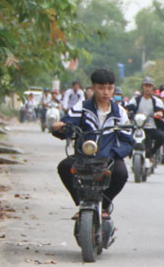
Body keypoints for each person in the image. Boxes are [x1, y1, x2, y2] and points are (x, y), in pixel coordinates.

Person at [51, 69, 133, 216]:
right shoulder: (81, 108)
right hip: (84, 155)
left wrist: (115, 153)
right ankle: (82, 203)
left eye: (110, 88)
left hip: (109, 157)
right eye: (101, 88)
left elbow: (127, 140)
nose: (106, 92)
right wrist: (60, 128)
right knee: (64, 167)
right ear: (93, 88)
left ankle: (105, 206)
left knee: (121, 173)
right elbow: (68, 124)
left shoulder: (119, 112)